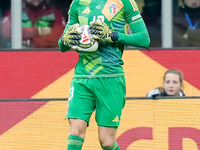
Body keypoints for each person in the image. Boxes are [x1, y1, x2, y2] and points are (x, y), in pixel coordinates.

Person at [58, 0, 150, 149]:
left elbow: (144, 39)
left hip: (111, 77)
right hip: (82, 77)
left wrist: (113, 36)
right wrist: (64, 39)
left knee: (106, 141)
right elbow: (62, 45)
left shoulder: (125, 2)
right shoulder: (77, 3)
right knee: (75, 130)